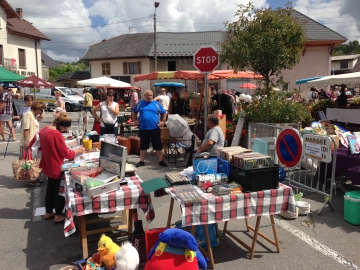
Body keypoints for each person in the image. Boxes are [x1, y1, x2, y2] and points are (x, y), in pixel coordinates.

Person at [40, 112, 84, 223]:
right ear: (62, 125)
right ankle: (58, 214)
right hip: (56, 165)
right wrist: (77, 151)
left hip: (48, 164)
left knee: (50, 188)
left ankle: (48, 211)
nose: (65, 130)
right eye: (65, 128)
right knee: (59, 190)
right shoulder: (56, 134)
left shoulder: (45, 129)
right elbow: (66, 154)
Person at [132, 89, 167, 167]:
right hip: (143, 128)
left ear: (152, 96)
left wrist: (163, 122)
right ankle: (142, 161)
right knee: (143, 146)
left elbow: (164, 113)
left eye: (151, 95)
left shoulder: (157, 104)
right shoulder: (140, 103)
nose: (149, 97)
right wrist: (135, 120)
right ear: (144, 96)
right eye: (147, 95)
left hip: (155, 128)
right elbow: (133, 111)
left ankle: (161, 161)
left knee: (158, 145)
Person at [20, 101, 46, 187]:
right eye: (41, 110)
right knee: (30, 162)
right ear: (36, 108)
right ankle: (32, 179)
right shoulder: (28, 114)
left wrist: (39, 120)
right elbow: (26, 129)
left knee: (35, 161)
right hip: (30, 142)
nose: (41, 112)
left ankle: (36, 177)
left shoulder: (34, 115)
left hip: (34, 142)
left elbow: (35, 127)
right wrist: (27, 142)